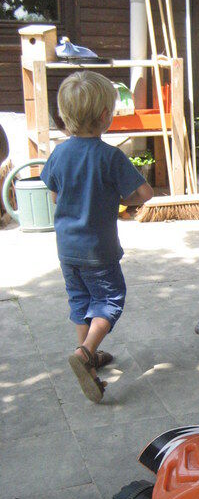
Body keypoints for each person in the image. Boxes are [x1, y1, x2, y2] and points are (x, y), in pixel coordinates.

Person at [40, 71, 153, 403]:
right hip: (98, 251)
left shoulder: (59, 153)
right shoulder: (110, 156)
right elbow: (144, 193)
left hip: (67, 249)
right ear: (105, 116)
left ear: (64, 115)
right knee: (110, 299)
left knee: (81, 302)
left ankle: (88, 361)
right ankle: (86, 351)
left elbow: (55, 196)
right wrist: (120, 197)